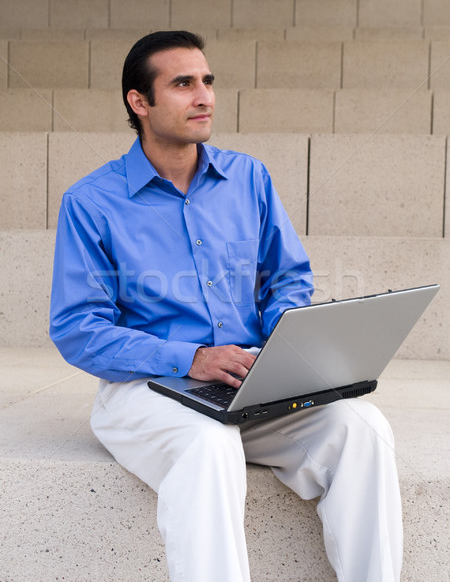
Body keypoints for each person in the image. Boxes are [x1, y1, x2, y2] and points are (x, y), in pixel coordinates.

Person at [49, 31, 403, 582]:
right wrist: (189, 357)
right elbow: (78, 328)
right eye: (183, 83)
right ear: (138, 102)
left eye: (208, 81)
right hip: (146, 389)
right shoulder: (91, 203)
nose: (205, 96)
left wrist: (282, 345)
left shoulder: (249, 178)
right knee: (210, 442)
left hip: (249, 380)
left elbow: (286, 278)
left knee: (363, 426)